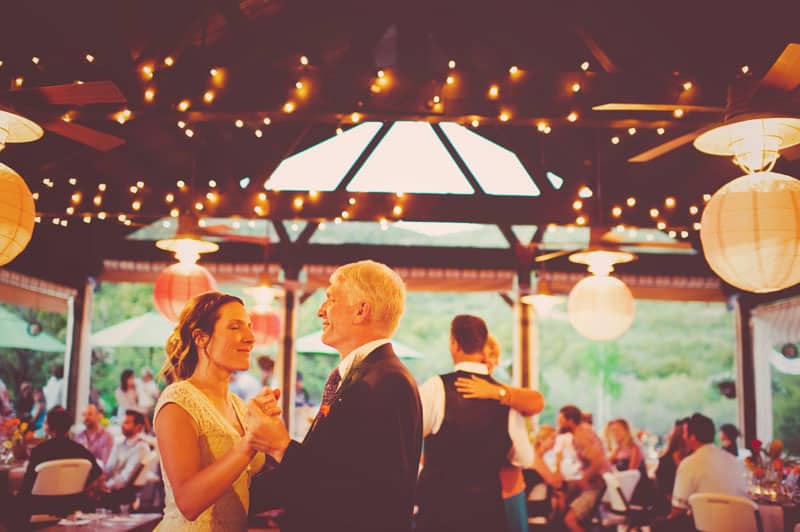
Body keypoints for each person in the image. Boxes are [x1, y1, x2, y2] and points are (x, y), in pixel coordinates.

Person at [250, 260, 423, 532]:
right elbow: (332, 468)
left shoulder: (386, 382)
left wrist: (281, 446)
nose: (320, 311)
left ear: (360, 311)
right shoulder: (363, 376)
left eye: (330, 299)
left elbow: (369, 494)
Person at [154, 291, 281, 531]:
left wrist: (272, 435)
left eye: (249, 327)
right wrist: (250, 442)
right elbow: (188, 502)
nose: (250, 337)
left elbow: (247, 488)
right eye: (235, 327)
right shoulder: (178, 399)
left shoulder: (239, 405)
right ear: (201, 338)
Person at [417, 315, 534, 532]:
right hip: (486, 513)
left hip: (438, 512)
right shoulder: (505, 399)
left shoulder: (436, 387)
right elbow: (524, 458)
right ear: (483, 345)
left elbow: (407, 439)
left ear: (454, 343)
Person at [454, 332, 545, 532]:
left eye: (491, 356)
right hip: (465, 493)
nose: (487, 361)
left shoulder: (507, 399)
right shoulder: (452, 395)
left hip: (507, 492)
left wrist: (497, 392)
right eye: (482, 356)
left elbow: (537, 401)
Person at [657, 413, 746, 531]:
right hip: (739, 525)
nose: (683, 437)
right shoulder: (733, 460)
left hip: (706, 527)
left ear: (692, 437)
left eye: (684, 433)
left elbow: (677, 510)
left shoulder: (690, 463)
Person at [19, 407, 102, 521]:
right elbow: (97, 475)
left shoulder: (39, 451)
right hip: (72, 508)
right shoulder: (80, 450)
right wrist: (79, 488)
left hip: (40, 508)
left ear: (48, 427)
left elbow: (27, 487)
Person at [557, 404, 611, 532]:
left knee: (569, 520)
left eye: (560, 420)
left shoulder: (581, 435)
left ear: (570, 421)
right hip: (594, 483)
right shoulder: (584, 431)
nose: (558, 423)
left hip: (596, 485)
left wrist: (584, 479)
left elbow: (598, 460)